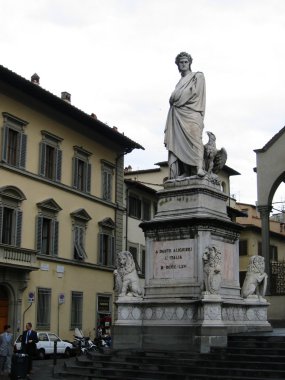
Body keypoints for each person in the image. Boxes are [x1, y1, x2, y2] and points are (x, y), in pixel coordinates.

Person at [164, 51, 206, 179]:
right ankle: (187, 172)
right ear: (177, 65)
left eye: (185, 62)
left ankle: (199, 168)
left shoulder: (197, 76)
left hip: (192, 113)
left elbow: (195, 94)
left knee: (195, 140)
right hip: (178, 115)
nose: (183, 64)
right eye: (180, 62)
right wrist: (175, 99)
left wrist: (176, 99)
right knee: (180, 143)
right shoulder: (179, 82)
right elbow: (178, 96)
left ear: (189, 63)